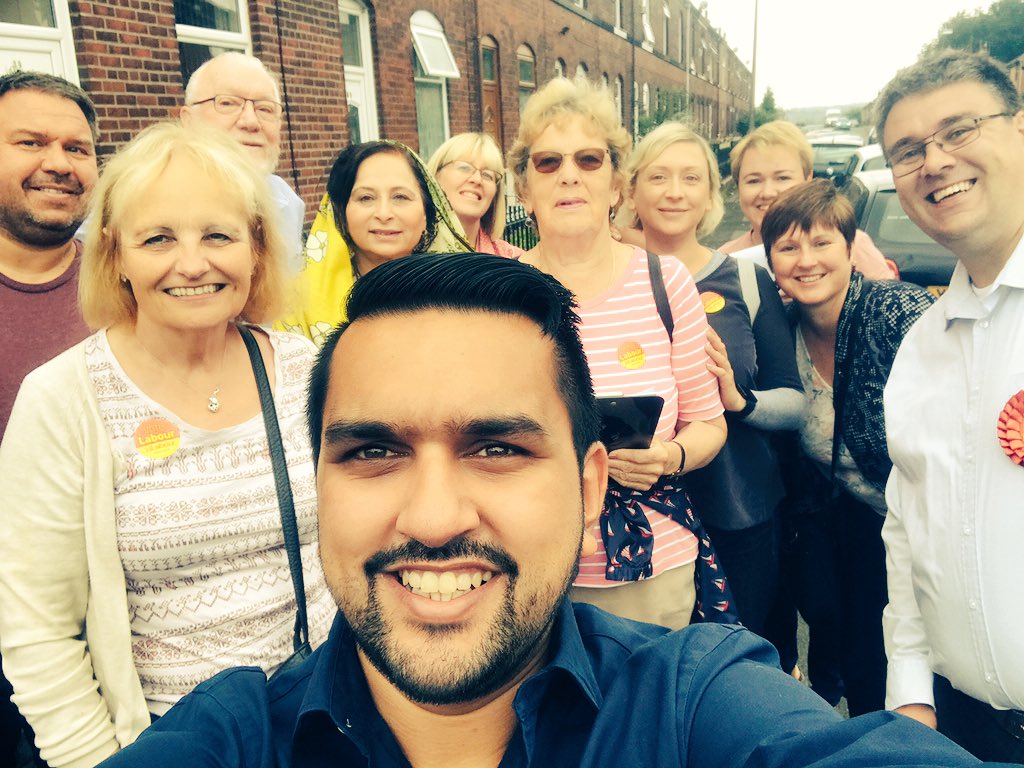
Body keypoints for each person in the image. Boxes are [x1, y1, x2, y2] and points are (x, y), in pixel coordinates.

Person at [95, 253, 1004, 768]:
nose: (436, 515)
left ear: (589, 484)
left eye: (498, 448)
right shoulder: (232, 739)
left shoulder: (692, 707)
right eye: (373, 451)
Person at [0, 122, 335, 768]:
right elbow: (37, 629)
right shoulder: (64, 399)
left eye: (218, 235)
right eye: (158, 238)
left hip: (319, 723)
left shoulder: (306, 370)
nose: (192, 263)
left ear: (256, 249)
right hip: (164, 742)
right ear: (115, 254)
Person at [508, 77, 728, 630]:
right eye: (547, 162)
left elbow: (709, 422)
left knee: (648, 715)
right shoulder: (498, 292)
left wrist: (668, 457)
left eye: (589, 158)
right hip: (532, 569)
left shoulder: (667, 282)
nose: (569, 175)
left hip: (651, 567)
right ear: (523, 188)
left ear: (616, 186)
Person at [875, 49, 1024, 762]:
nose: (934, 161)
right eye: (908, 150)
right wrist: (909, 691)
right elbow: (908, 530)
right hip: (962, 733)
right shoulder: (921, 347)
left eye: (959, 129)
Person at [759, 179, 933, 716]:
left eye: (821, 243)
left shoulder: (894, 311)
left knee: (894, 655)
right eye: (788, 247)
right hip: (850, 515)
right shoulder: (781, 333)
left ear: (849, 248)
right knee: (846, 627)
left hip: (921, 515)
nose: (805, 260)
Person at [623, 120, 804, 636]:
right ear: (633, 190)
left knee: (737, 658)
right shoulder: (608, 278)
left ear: (709, 196)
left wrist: (739, 400)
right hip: (638, 516)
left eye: (691, 178)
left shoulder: (747, 278)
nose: (675, 192)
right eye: (658, 177)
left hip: (737, 508)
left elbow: (793, 402)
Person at [0, 69, 99, 765]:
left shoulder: (131, 288)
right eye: (30, 142)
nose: (59, 163)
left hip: (103, 622)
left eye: (78, 148)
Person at [277, 140, 470, 345]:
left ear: (427, 213)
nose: (384, 214)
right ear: (341, 212)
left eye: (400, 197)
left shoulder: (462, 293)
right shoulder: (297, 301)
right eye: (366, 198)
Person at [720, 120, 896, 280]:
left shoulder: (852, 244)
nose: (768, 192)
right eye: (754, 181)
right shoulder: (723, 260)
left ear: (807, 178)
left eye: (782, 178)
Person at [180, 52, 305, 273]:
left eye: (265, 108)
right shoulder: (137, 201)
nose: (250, 121)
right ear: (188, 120)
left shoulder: (286, 202)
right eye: (228, 103)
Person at [427, 132, 524, 258]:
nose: (477, 180)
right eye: (464, 168)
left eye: (487, 175)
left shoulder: (514, 261)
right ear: (435, 176)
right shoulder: (404, 254)